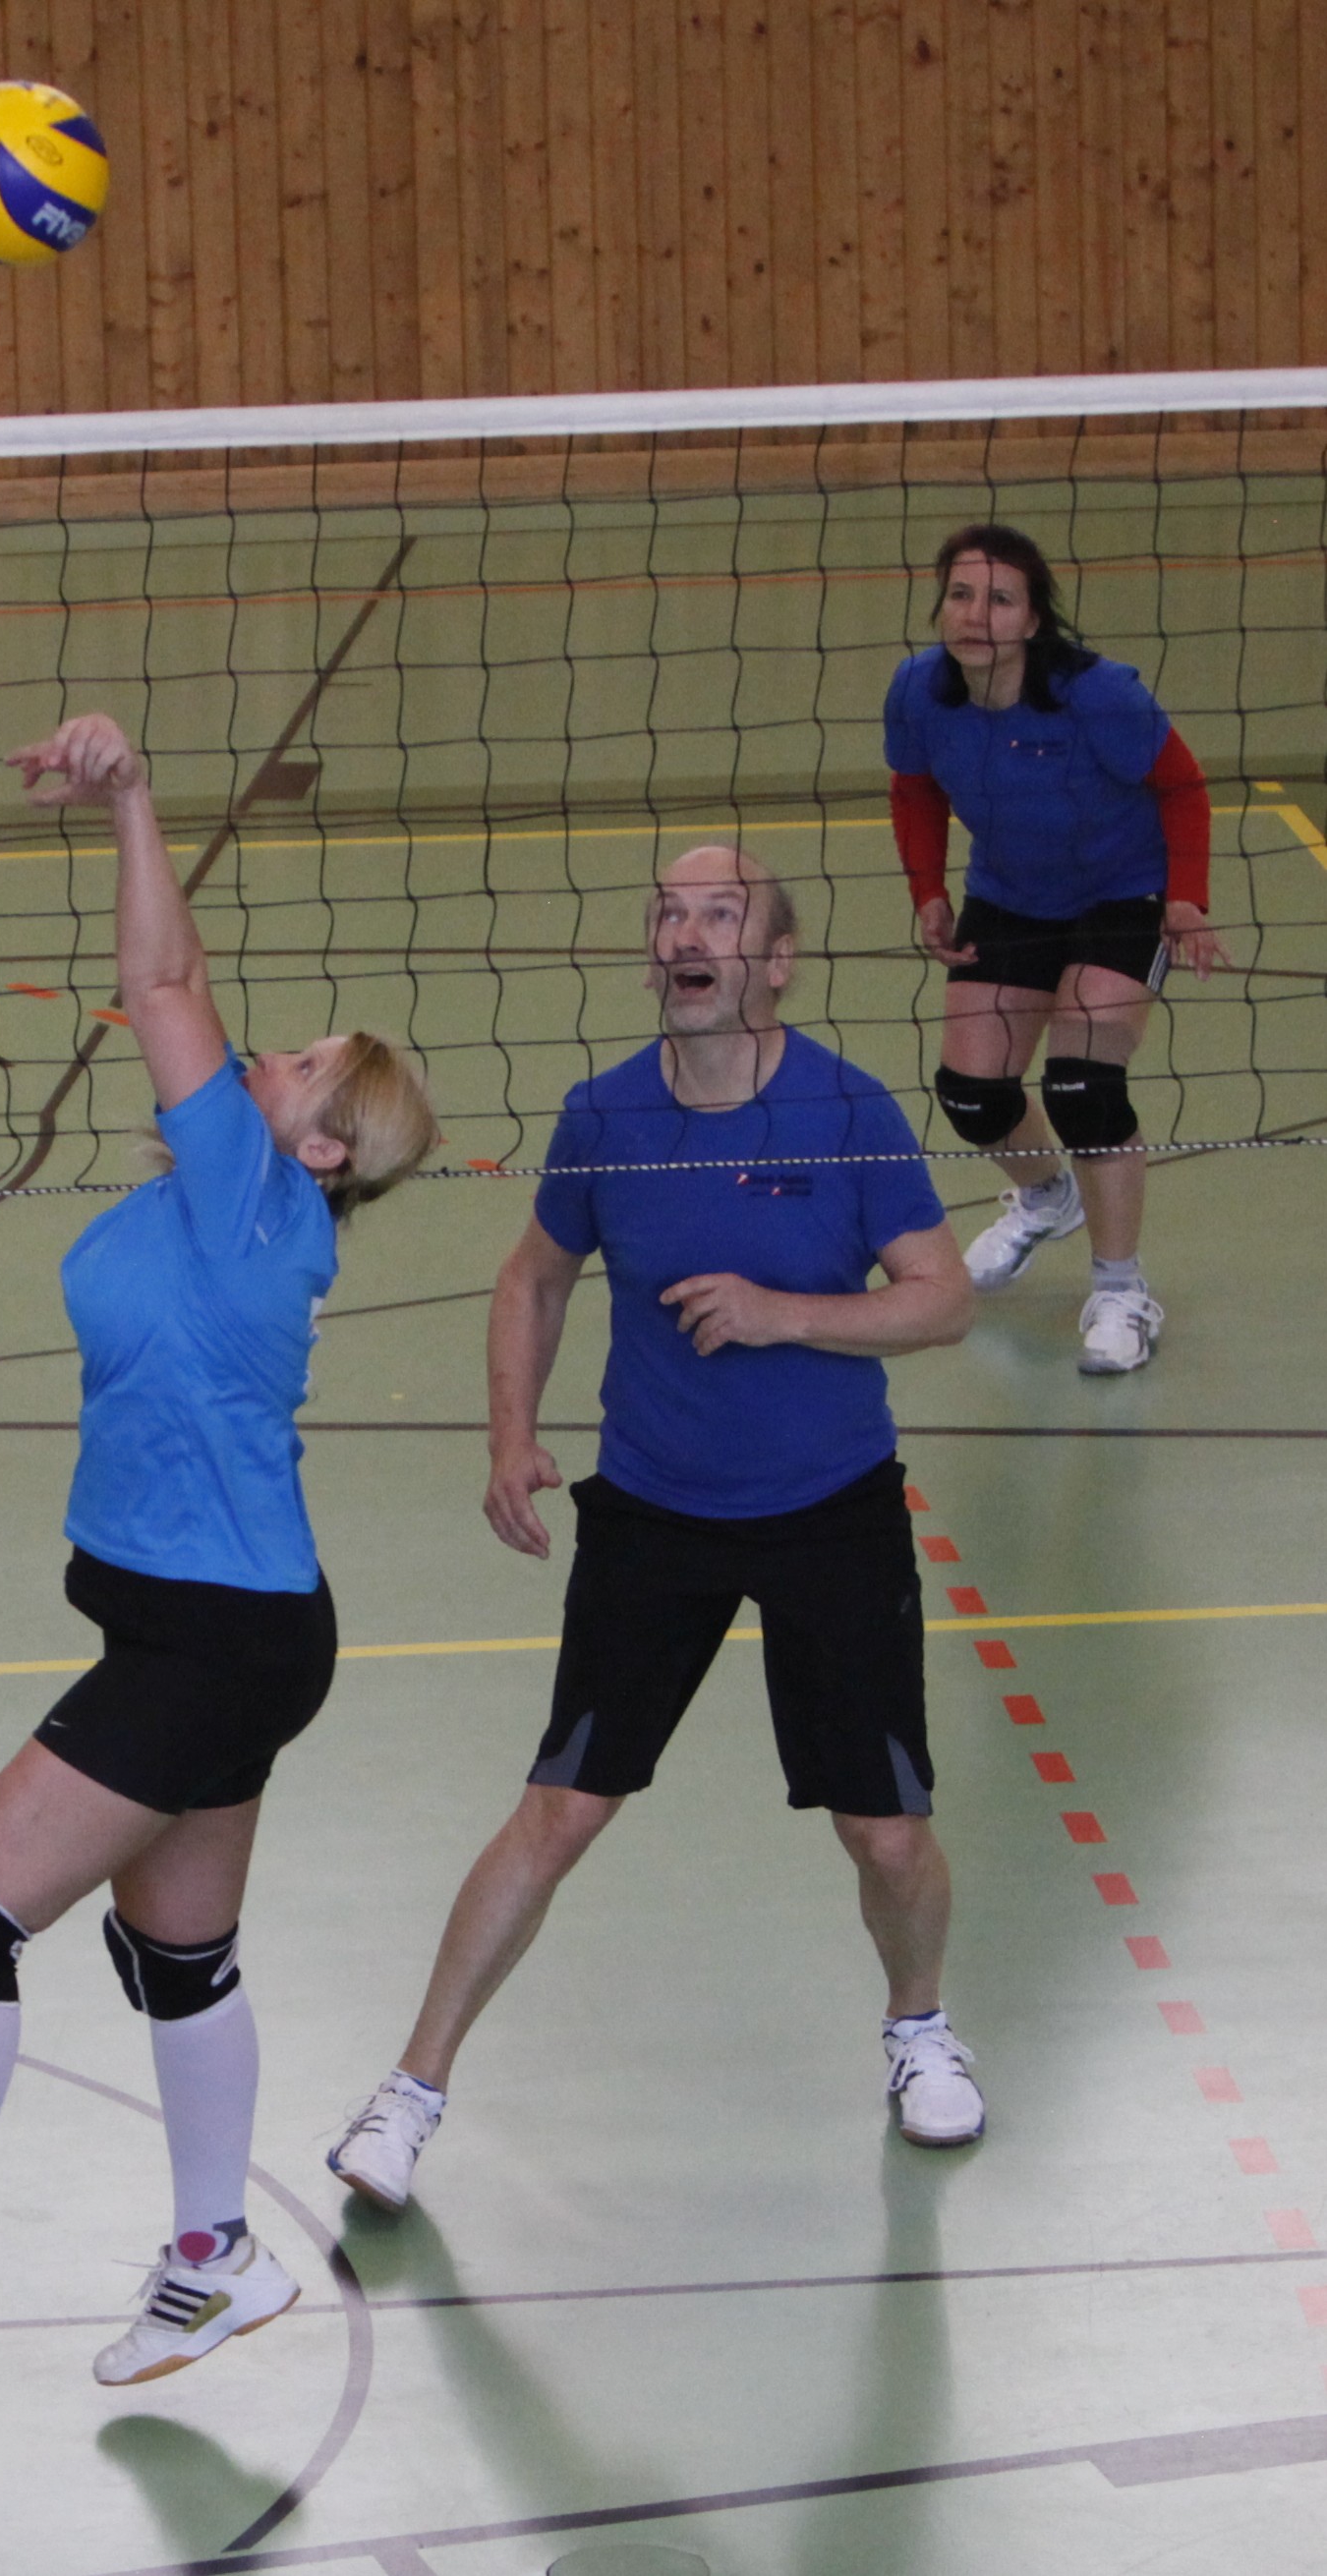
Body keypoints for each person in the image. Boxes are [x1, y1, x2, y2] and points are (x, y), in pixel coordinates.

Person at [0, 713, 438, 2384]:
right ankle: (215, 2260)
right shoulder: (212, 1199)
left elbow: (162, 977)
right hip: (219, 1627)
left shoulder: (253, 1197)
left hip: (213, 1640)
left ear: (320, 1144)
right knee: (171, 1953)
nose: (262, 1056)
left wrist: (130, 799)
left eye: (297, 1063)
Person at [328, 844, 980, 2216]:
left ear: (774, 961)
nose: (685, 934)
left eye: (719, 914)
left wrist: (781, 1312)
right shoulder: (604, 1115)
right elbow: (532, 1275)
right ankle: (408, 2094)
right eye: (669, 914)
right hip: (652, 1514)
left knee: (885, 1834)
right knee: (557, 1809)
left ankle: (918, 2026)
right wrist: (509, 1434)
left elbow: (939, 1297)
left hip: (829, 1514)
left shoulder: (847, 1110)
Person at [887, 521, 1230, 1375]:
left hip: (1122, 893)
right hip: (1009, 895)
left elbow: (1182, 786)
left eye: (1000, 599)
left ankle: (1119, 1290)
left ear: (1033, 619)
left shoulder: (1097, 695)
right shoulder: (919, 690)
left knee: (1081, 1086)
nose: (976, 614)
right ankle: (1045, 1196)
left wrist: (1186, 898)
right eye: (960, 594)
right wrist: (927, 890)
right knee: (970, 1094)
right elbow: (914, 786)